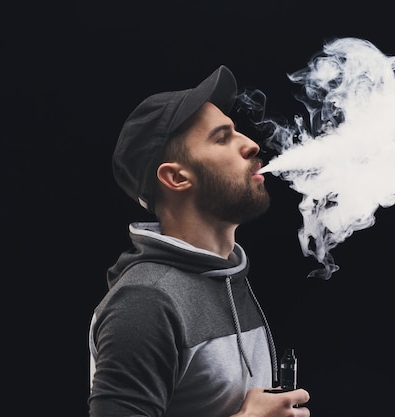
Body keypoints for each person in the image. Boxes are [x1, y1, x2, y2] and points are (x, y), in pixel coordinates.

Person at [88, 65, 310, 417]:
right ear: (176, 177)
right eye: (222, 138)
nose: (251, 144)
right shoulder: (146, 302)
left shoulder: (227, 277)